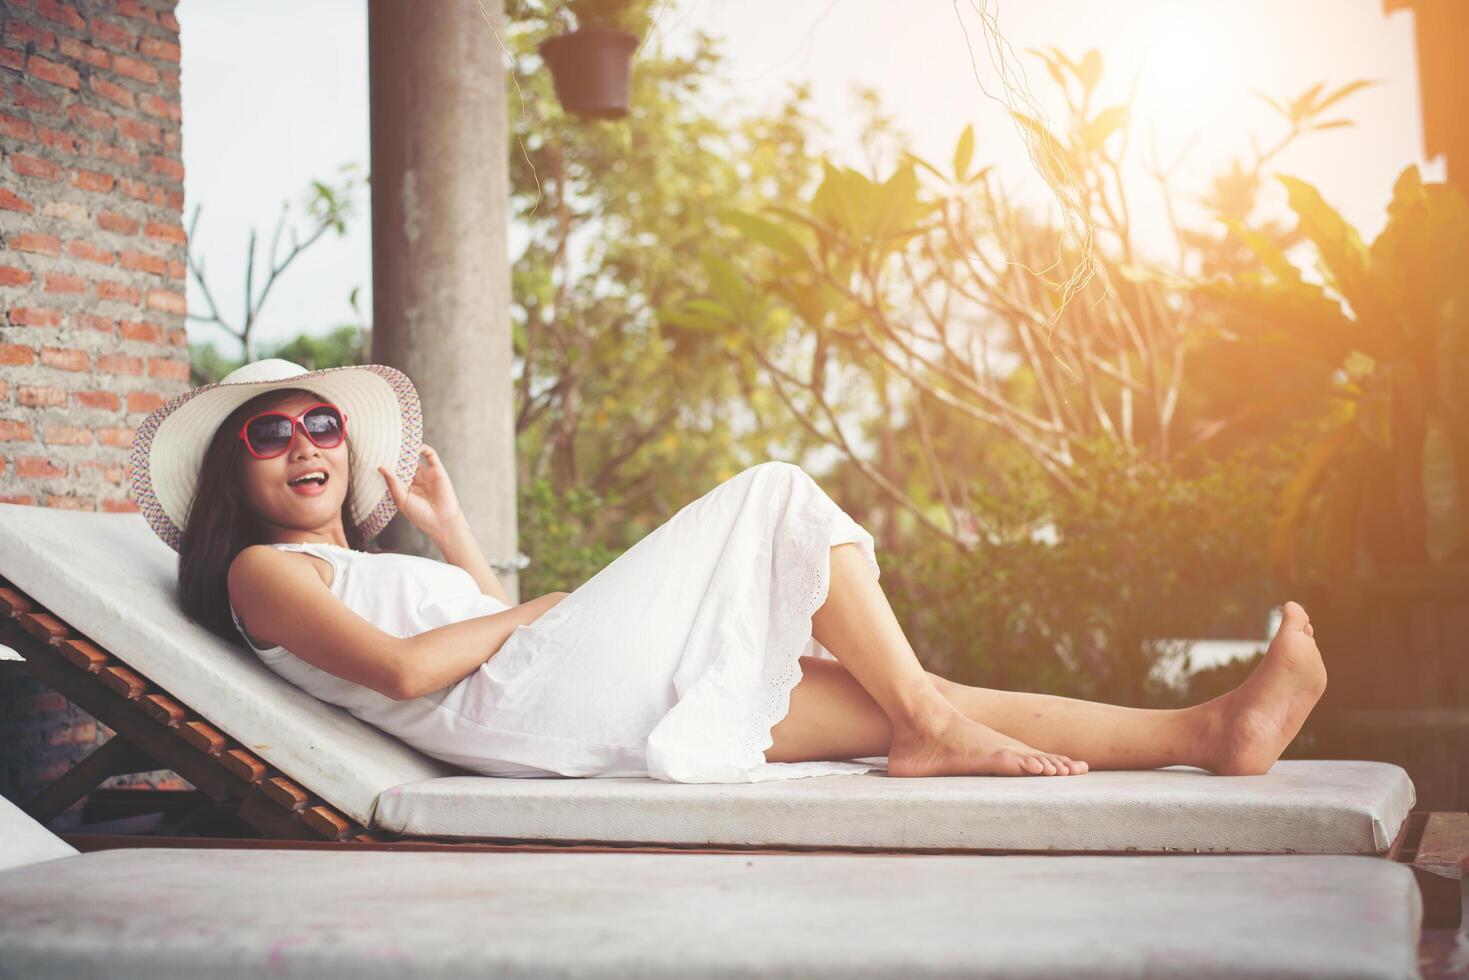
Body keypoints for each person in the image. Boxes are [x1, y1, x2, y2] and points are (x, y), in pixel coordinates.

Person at [131, 359, 1328, 783]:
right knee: (772, 492)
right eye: (269, 431)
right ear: (233, 474)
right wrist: (539, 599)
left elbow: (468, 642)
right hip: (526, 705)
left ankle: (1207, 731)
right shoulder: (260, 576)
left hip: (536, 700)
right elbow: (404, 672)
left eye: (321, 426)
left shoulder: (363, 562)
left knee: (881, 690)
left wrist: (451, 538)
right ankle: (925, 724)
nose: (302, 445)